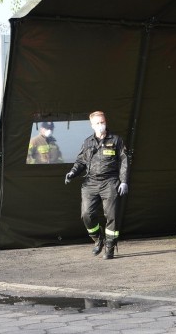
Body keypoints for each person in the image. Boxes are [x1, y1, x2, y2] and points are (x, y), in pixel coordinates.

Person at [64, 111, 129, 260]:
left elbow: (124, 161)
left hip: (110, 182)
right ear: (92, 125)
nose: (101, 125)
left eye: (103, 122)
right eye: (98, 123)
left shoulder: (116, 140)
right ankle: (98, 239)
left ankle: (110, 247)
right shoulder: (87, 142)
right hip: (90, 183)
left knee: (111, 215)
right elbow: (80, 161)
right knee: (87, 214)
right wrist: (72, 173)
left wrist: (123, 181)